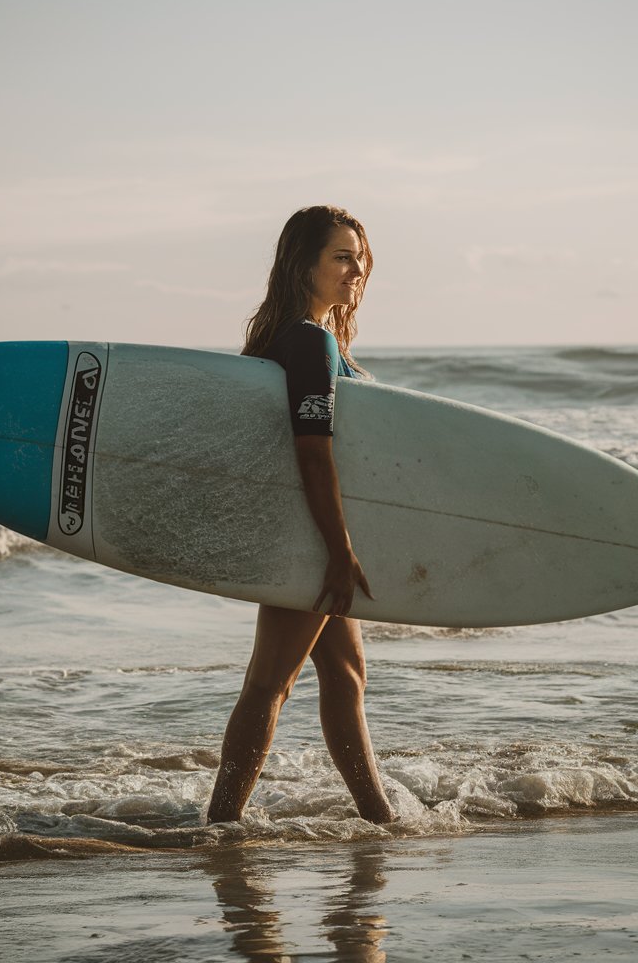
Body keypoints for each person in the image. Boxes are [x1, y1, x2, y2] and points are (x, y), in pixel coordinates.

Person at [207, 206, 395, 825]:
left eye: (359, 257)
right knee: (270, 682)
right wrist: (339, 551)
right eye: (341, 257)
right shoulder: (308, 341)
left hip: (306, 526)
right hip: (306, 534)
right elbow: (312, 452)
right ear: (303, 264)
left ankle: (378, 816)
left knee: (345, 675)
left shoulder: (303, 337)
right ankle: (222, 825)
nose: (356, 269)